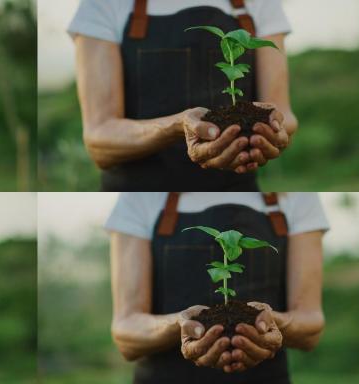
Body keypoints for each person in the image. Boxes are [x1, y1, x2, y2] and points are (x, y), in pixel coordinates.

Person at [69, 0, 297, 191]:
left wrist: (270, 130)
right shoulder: (103, 4)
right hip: (139, 189)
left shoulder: (258, 3)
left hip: (237, 186)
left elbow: (283, 115)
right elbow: (99, 140)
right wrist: (177, 125)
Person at [105, 192, 327, 383]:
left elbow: (311, 327)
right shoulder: (141, 196)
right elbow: (126, 335)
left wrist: (272, 323)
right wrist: (179, 324)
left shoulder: (296, 197)